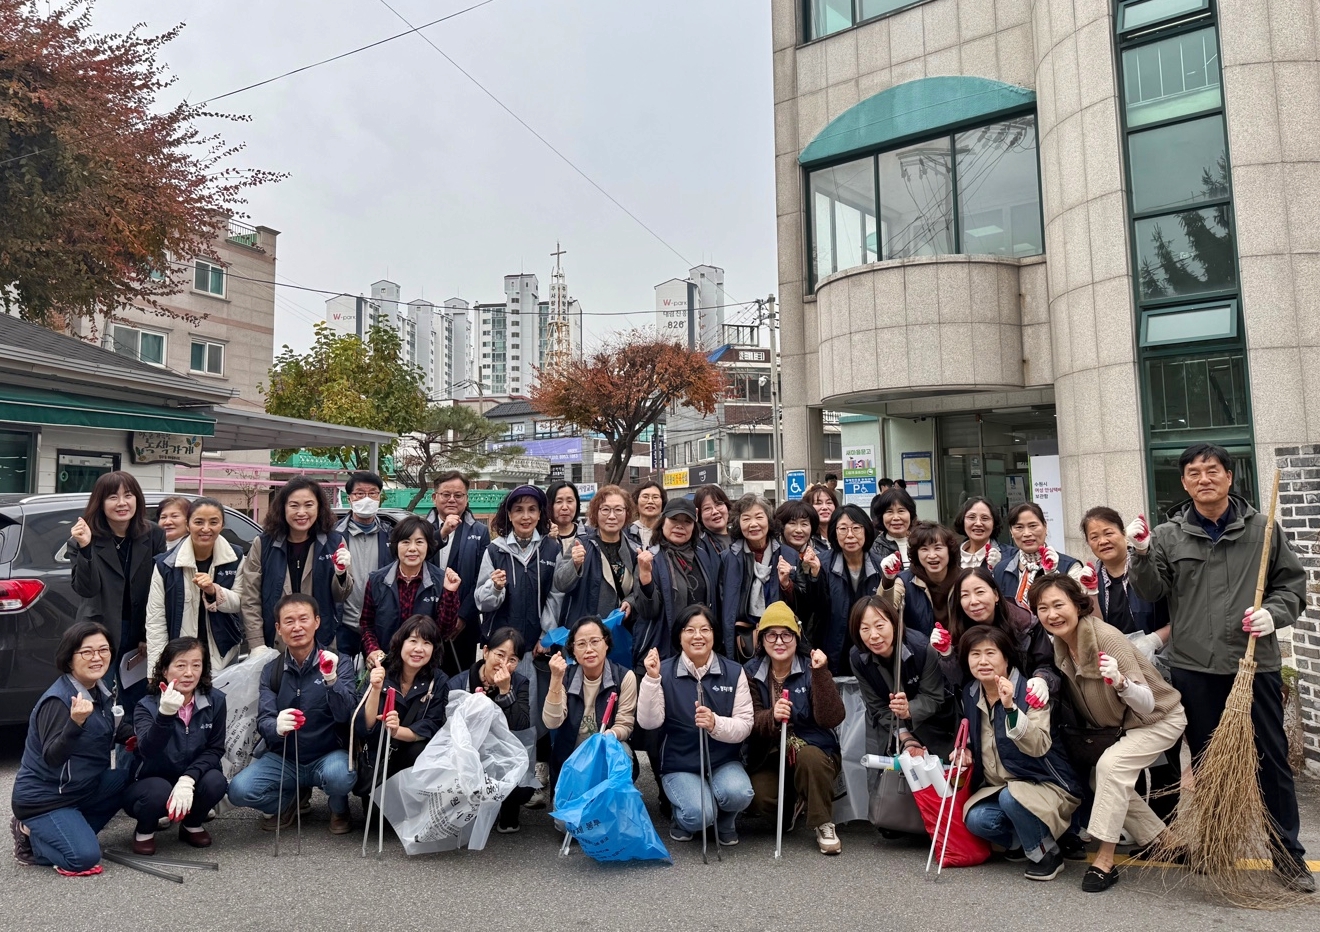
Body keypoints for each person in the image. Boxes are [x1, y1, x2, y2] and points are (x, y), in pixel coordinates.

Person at [1128, 442, 1312, 892]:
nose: (1203, 479)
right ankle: (1217, 842)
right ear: (1184, 483)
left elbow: (1292, 585)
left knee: (1272, 763)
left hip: (1255, 665)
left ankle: (1287, 855)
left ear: (1230, 477)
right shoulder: (1170, 536)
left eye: (1212, 471)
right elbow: (1152, 592)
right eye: (1193, 473)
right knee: (1210, 765)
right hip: (1195, 668)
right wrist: (1140, 554)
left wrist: (1275, 612)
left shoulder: (1262, 530)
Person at [1029, 575, 1186, 892]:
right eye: (1042, 608)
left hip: (1160, 718)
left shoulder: (1107, 639)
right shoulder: (1061, 642)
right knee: (1101, 778)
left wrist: (1121, 682)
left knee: (1110, 768)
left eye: (1059, 604)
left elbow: (1148, 701)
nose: (1052, 614)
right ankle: (1169, 842)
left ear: (1077, 604)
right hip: (1126, 726)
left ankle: (1104, 859)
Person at [956, 625, 1082, 882]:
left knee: (1012, 799)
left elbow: (1038, 745)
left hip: (1047, 784)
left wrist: (1011, 708)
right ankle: (1025, 840)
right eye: (975, 654)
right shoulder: (971, 693)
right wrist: (964, 750)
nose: (982, 661)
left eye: (990, 653)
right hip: (1001, 788)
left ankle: (1046, 853)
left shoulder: (1031, 691)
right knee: (977, 819)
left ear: (1006, 658)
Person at [227, 594, 358, 834]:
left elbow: (347, 715)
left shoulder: (340, 662)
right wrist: (276, 727)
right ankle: (289, 800)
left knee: (341, 776)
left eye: (303, 619)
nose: (297, 627)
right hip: (284, 757)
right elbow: (264, 720)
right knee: (239, 790)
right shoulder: (272, 670)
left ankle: (338, 807)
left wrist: (332, 681)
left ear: (317, 622)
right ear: (278, 628)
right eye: (289, 621)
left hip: (327, 754)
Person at [10, 622, 133, 875]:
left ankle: (69, 830)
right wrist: (75, 723)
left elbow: (115, 730)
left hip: (82, 788)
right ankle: (29, 835)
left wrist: (161, 720)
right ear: (69, 658)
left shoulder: (100, 691)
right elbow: (52, 757)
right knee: (83, 858)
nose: (97, 657)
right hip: (46, 799)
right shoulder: (58, 701)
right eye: (87, 652)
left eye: (103, 650)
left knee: (127, 779)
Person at [637, 605, 755, 844]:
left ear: (714, 635)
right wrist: (651, 679)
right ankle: (683, 817)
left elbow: (745, 725)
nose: (698, 636)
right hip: (680, 763)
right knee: (699, 814)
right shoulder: (664, 671)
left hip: (723, 761)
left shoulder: (733, 672)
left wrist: (715, 724)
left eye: (705, 629)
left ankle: (725, 822)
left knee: (740, 793)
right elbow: (648, 722)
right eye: (689, 630)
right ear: (679, 637)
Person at [474, 485, 559, 805]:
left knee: (527, 715)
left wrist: (545, 635)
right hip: (500, 651)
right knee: (494, 714)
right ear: (508, 515)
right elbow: (481, 601)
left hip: (532, 649)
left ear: (540, 515)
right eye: (518, 509)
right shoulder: (495, 550)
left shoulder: (551, 549)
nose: (525, 516)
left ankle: (526, 782)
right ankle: (494, 782)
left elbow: (556, 596)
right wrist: (494, 588)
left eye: (532, 510)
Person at [744, 602, 845, 855]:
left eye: (786, 634)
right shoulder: (750, 672)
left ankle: (823, 823)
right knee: (758, 796)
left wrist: (821, 674)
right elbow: (749, 719)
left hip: (813, 748)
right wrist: (772, 716)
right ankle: (792, 806)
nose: (779, 641)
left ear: (796, 637)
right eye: (771, 634)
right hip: (769, 753)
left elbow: (832, 718)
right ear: (762, 639)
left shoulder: (811, 667)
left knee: (810, 758)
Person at [68, 470, 168, 708]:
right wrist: (85, 548)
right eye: (113, 497)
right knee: (96, 699)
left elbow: (159, 587)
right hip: (99, 632)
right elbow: (86, 588)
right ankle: (99, 744)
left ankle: (131, 745)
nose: (122, 503)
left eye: (128, 495)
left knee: (139, 701)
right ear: (100, 503)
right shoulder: (83, 537)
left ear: (137, 499)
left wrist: (148, 635)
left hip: (140, 632)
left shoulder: (153, 534)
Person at [124, 637, 229, 855]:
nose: (189, 673)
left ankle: (192, 824)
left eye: (196, 665)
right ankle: (145, 829)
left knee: (216, 781)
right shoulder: (146, 706)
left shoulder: (215, 701)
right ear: (164, 670)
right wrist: (165, 715)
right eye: (180, 665)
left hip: (192, 777)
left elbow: (215, 749)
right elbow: (147, 751)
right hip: (152, 781)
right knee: (157, 792)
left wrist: (188, 778)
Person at [238, 477, 351, 652]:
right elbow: (250, 598)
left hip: (321, 641)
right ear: (282, 508)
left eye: (308, 505)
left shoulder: (334, 542)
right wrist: (257, 644)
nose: (301, 512)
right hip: (274, 643)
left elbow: (340, 596)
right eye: (294, 505)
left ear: (319, 507)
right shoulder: (264, 544)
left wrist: (341, 573)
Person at [448, 627, 534, 833]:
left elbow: (521, 725)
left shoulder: (520, 682)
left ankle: (508, 809)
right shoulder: (459, 682)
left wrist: (506, 691)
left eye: (513, 659)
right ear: (486, 652)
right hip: (467, 754)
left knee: (524, 789)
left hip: (500, 754)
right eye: (500, 655)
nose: (504, 664)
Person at [848, 596, 955, 759]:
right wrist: (906, 737)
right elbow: (877, 706)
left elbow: (934, 697)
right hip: (892, 732)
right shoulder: (858, 658)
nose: (874, 635)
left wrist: (909, 710)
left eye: (879, 626)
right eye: (865, 629)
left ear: (894, 623)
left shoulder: (922, 649)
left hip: (934, 728)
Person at [933, 566, 1059, 705]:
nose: (973, 601)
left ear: (996, 595)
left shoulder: (1026, 625)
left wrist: (1041, 679)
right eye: (965, 595)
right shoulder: (958, 630)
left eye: (980, 592)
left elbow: (1048, 665)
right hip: (982, 707)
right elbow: (960, 681)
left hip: (1027, 702)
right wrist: (947, 654)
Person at [146, 497, 243, 673]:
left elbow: (240, 603)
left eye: (213, 522)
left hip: (224, 652)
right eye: (199, 522)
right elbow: (156, 621)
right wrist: (157, 670)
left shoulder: (236, 557)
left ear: (222, 525)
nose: (206, 529)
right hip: (181, 656)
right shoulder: (165, 564)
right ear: (188, 525)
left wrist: (214, 591)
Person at [359, 515, 462, 668]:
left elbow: (445, 632)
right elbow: (367, 624)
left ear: (428, 546)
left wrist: (450, 593)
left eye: (419, 542)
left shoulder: (442, 580)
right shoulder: (377, 580)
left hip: (425, 666)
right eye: (405, 542)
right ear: (396, 545)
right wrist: (373, 651)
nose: (412, 548)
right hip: (385, 664)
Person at [634, 498, 723, 670]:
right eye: (674, 520)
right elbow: (647, 611)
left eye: (687, 521)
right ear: (663, 521)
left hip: (699, 649)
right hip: (662, 650)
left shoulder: (703, 556)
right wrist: (645, 577)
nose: (680, 526)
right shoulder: (650, 557)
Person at [544, 615, 638, 778]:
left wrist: (610, 735)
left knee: (621, 751)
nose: (589, 649)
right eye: (581, 644)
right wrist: (555, 679)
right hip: (572, 754)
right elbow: (552, 722)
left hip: (606, 750)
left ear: (606, 643)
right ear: (573, 649)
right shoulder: (564, 676)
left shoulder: (624, 677)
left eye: (595, 641)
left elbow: (625, 724)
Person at [718, 493, 808, 662]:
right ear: (738, 523)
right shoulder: (728, 558)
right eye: (746, 519)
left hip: (779, 636)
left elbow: (803, 603)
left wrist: (786, 584)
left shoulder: (788, 554)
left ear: (769, 520)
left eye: (759, 517)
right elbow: (721, 602)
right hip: (742, 640)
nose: (753, 524)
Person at [358, 614, 451, 777]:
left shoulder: (438, 681)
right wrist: (375, 688)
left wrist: (396, 731)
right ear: (400, 643)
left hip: (412, 759)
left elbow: (431, 725)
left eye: (427, 643)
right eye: (413, 641)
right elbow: (365, 725)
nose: (419, 649)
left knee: (419, 749)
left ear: (434, 649)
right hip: (377, 757)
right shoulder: (381, 671)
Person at [426, 470, 491, 677]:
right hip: (426, 616)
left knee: (461, 678)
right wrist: (442, 532)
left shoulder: (479, 531)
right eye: (446, 494)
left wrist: (462, 615)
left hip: (464, 622)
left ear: (466, 498)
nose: (452, 499)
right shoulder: (421, 528)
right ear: (434, 497)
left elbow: (482, 578)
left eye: (458, 495)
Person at [1081, 507, 1168, 650]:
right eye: (1094, 537)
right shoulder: (1091, 578)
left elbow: (1179, 616)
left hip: (1162, 657)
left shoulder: (1149, 566)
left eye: (1108, 533)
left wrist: (1154, 641)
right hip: (1116, 662)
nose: (1102, 541)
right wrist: (1092, 593)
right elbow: (1096, 628)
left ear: (1124, 534)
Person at [554, 485, 641, 625]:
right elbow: (560, 583)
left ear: (627, 513)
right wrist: (574, 564)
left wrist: (630, 601)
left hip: (620, 630)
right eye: (605, 509)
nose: (612, 516)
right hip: (585, 630)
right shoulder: (581, 543)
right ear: (596, 512)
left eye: (618, 510)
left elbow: (639, 590)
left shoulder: (634, 549)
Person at [819, 504, 887, 675]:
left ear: (866, 530)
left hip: (873, 645)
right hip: (833, 648)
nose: (850, 535)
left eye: (856, 528)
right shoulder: (821, 565)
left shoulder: (882, 566)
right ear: (834, 532)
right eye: (843, 529)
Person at [335, 471, 393, 659]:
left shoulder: (391, 536)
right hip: (343, 624)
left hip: (380, 625)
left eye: (373, 493)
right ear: (349, 498)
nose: (366, 498)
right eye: (360, 493)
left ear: (380, 497)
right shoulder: (333, 536)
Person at [993, 503, 1084, 610]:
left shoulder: (1069, 567)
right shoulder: (1001, 569)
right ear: (1011, 532)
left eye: (1033, 526)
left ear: (1045, 527)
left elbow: (1079, 608)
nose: (1026, 533)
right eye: (1019, 527)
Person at [774, 499, 829, 647]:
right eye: (792, 523)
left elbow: (821, 604)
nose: (799, 530)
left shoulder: (822, 555)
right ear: (781, 526)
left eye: (804, 524)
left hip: (813, 635)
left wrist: (815, 574)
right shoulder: (774, 554)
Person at [892, 521, 959, 637]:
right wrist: (887, 579)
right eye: (924, 549)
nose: (932, 555)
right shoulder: (905, 581)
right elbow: (884, 610)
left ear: (949, 550)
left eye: (938, 548)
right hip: (921, 650)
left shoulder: (964, 579)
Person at [955, 496, 1013, 569]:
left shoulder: (1010, 556)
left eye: (985, 518)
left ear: (994, 523)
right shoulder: (951, 556)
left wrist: (999, 567)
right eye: (972, 517)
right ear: (962, 520)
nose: (978, 523)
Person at [869, 487, 916, 568]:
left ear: (910, 514)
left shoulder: (923, 541)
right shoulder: (875, 549)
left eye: (901, 511)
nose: (896, 517)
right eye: (889, 512)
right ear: (881, 516)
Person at [626, 481, 666, 550]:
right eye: (645, 497)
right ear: (636, 502)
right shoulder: (626, 533)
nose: (650, 501)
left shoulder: (667, 533)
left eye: (655, 497)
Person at [693, 484, 732, 553]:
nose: (715, 511)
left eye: (718, 504)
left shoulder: (742, 538)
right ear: (699, 516)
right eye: (707, 508)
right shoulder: (699, 547)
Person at [802, 483, 838, 548]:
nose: (825, 507)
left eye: (829, 503)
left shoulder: (842, 535)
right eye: (818, 503)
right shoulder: (804, 541)